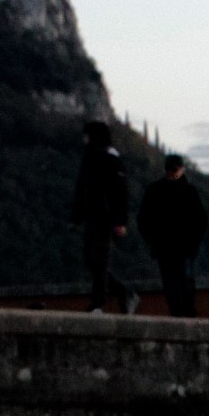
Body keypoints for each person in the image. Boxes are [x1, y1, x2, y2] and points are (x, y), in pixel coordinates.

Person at [68, 120, 133, 313]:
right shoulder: (89, 157)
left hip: (106, 218)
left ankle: (99, 303)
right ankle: (122, 293)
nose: (84, 139)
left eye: (87, 135)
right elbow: (82, 189)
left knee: (100, 259)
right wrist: (76, 217)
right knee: (91, 260)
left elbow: (120, 193)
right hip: (92, 215)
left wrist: (120, 221)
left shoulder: (111, 158)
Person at [137, 154, 209, 317]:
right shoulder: (189, 191)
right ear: (181, 169)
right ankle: (187, 314)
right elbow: (202, 221)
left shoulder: (154, 190)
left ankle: (177, 313)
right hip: (185, 247)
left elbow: (143, 220)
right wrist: (194, 242)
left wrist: (153, 241)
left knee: (171, 283)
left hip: (164, 247)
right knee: (185, 281)